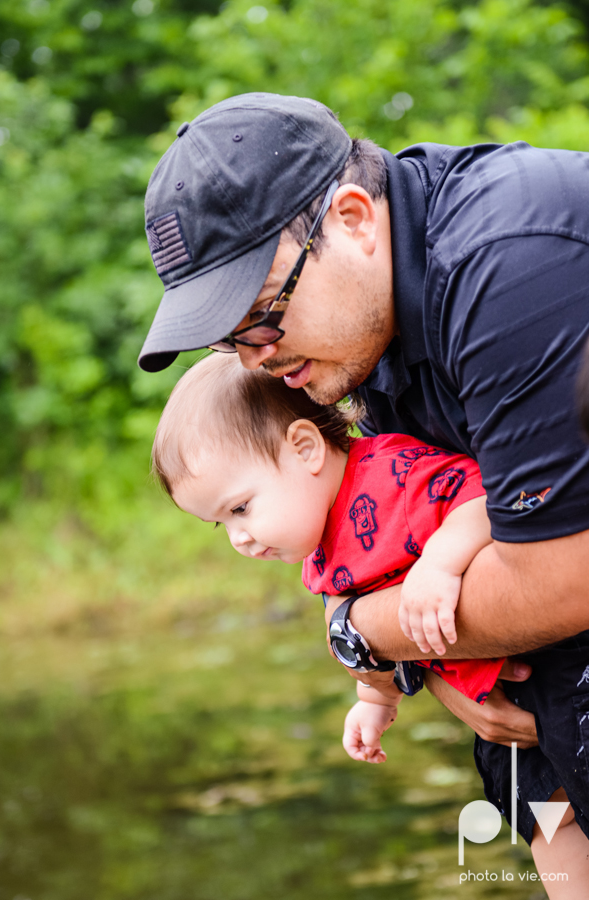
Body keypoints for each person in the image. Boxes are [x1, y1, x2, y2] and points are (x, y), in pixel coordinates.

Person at [137, 94, 589, 801]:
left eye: (258, 316)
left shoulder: (507, 270)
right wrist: (423, 668)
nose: (253, 359)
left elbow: (562, 579)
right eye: (227, 340)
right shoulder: (358, 336)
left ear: (352, 220)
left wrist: (359, 631)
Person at [151, 352, 589, 893]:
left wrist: (441, 562)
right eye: (220, 525)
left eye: (239, 508)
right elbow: (369, 633)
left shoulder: (388, 474)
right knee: (547, 822)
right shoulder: (318, 548)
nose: (239, 537)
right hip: (499, 700)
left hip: (555, 667)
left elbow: (482, 494)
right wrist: (375, 701)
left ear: (305, 448)